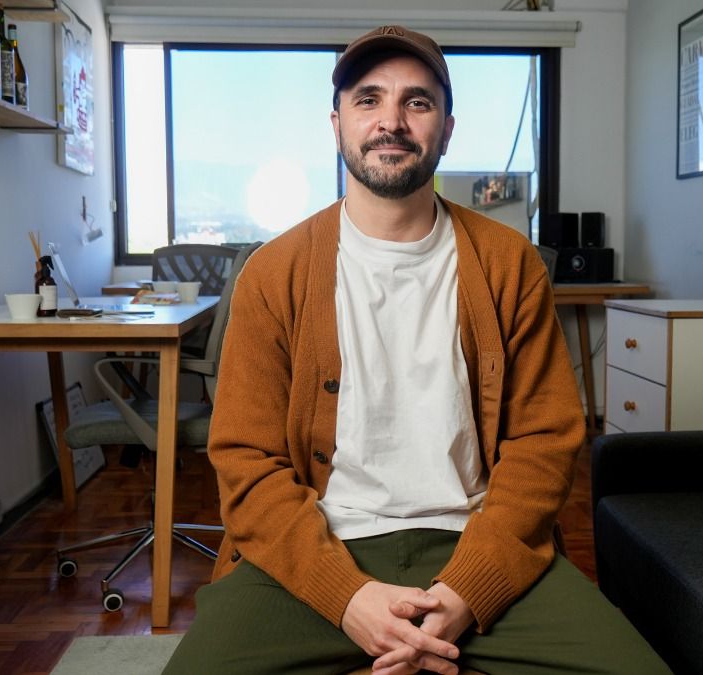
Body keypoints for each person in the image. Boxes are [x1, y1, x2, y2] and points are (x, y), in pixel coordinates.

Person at [162, 25, 670, 675]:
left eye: (417, 102)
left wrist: (467, 590)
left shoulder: (508, 264)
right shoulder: (273, 273)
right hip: (318, 545)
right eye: (368, 100)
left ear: (447, 128)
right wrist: (345, 596)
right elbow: (246, 461)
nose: (391, 121)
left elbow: (544, 444)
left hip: (475, 540)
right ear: (337, 123)